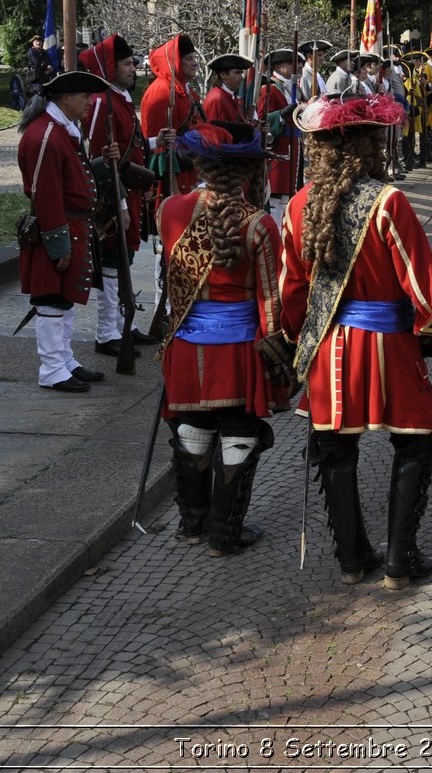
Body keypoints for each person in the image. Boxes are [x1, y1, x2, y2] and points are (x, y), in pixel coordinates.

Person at [280, 93, 432, 588]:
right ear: (368, 145)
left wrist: (300, 346)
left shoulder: (297, 205)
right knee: (414, 445)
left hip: (329, 352)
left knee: (335, 449)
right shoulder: (386, 202)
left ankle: (353, 561)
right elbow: (428, 293)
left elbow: (292, 297)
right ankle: (400, 561)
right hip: (387, 347)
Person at [157, 121, 286, 555]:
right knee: (238, 430)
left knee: (192, 427)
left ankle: (192, 524)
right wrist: (280, 357)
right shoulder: (260, 225)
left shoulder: (169, 211)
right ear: (249, 171)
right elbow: (271, 302)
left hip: (185, 343)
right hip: (238, 349)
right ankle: (224, 534)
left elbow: (170, 284)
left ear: (199, 163)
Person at [16, 69, 112, 393]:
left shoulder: (60, 130)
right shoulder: (46, 134)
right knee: (50, 300)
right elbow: (45, 192)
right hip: (58, 228)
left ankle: (64, 360)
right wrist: (58, 244)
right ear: (65, 98)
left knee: (65, 297)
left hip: (72, 226)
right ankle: (51, 369)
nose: (89, 103)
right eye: (84, 97)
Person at [80, 34, 158, 357]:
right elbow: (101, 160)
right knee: (112, 264)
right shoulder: (102, 102)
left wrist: (156, 142)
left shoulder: (121, 98)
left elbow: (132, 146)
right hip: (113, 198)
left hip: (130, 195)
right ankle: (106, 332)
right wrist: (122, 202)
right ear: (111, 67)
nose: (133, 68)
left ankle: (123, 321)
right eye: (126, 64)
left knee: (124, 261)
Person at [140, 34, 205, 195]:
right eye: (189, 58)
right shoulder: (161, 92)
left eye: (194, 58)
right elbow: (161, 148)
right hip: (174, 178)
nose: (195, 63)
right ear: (176, 61)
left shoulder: (182, 88)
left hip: (190, 171)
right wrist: (173, 192)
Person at [256, 49, 302, 225]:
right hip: (279, 147)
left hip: (293, 144)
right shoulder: (268, 88)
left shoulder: (291, 87)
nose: (295, 67)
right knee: (277, 195)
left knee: (289, 194)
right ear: (278, 66)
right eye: (290, 63)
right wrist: (281, 115)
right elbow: (262, 119)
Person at [202, 55, 250, 122]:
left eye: (241, 73)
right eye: (237, 73)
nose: (241, 78)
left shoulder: (230, 96)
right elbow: (213, 129)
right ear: (223, 75)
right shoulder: (216, 99)